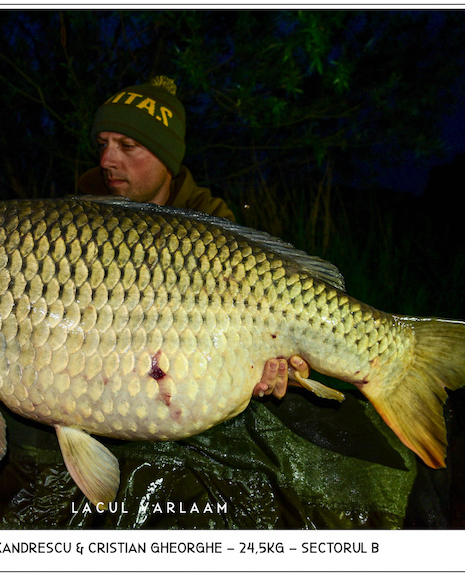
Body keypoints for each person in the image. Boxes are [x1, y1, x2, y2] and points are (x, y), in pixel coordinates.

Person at [79, 76, 310, 399]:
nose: (106, 160)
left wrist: (272, 362)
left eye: (127, 146)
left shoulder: (213, 223)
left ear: (166, 156)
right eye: (103, 144)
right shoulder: (76, 220)